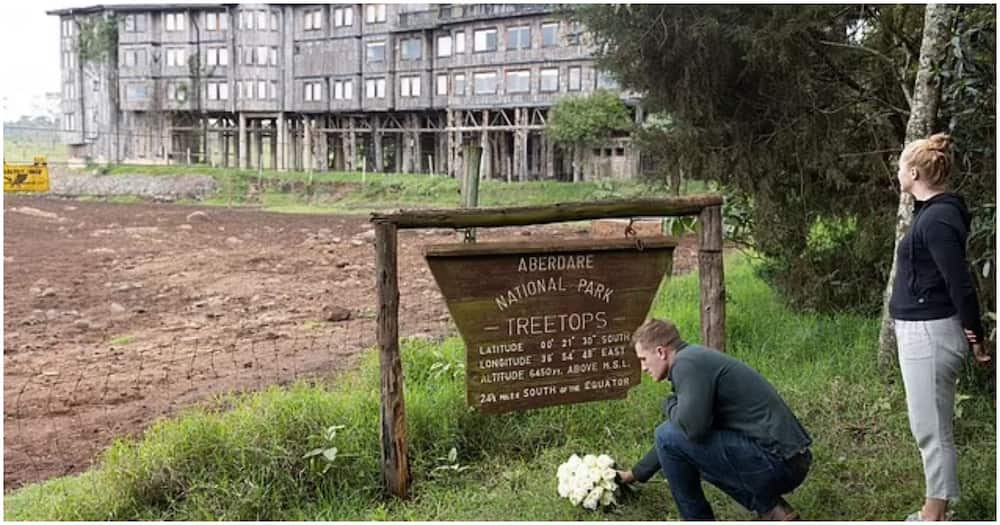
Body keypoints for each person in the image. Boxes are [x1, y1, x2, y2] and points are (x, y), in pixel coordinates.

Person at [889, 133, 991, 521]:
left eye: (901, 167)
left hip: (929, 334)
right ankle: (939, 503)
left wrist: (976, 336)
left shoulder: (938, 219)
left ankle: (934, 513)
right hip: (922, 330)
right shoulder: (933, 213)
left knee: (930, 428)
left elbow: (959, 282)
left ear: (914, 173)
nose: (897, 172)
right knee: (931, 424)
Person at [616, 319, 812, 521]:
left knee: (668, 435)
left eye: (643, 359)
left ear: (660, 352)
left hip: (779, 462)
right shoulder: (693, 359)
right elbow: (683, 434)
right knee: (676, 441)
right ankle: (774, 510)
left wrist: (668, 405)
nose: (643, 368)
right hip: (789, 460)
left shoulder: (686, 364)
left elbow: (692, 431)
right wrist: (634, 474)